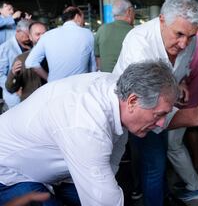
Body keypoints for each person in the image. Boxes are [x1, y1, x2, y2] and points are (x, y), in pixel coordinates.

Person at [0, 60, 184, 206]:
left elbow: (106, 179)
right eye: (159, 115)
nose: (161, 123)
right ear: (133, 101)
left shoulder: (118, 90)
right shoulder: (85, 122)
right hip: (8, 172)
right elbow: (104, 202)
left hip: (56, 172)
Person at [112, 0, 198, 205]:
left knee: (154, 160)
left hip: (160, 106)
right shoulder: (139, 42)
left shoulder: (188, 43)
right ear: (162, 19)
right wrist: (196, 115)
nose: (184, 43)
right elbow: (150, 100)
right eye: (179, 34)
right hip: (139, 109)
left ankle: (152, 193)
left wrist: (180, 84)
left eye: (191, 36)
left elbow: (178, 72)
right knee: (155, 163)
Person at [168, 29, 198, 202]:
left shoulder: (190, 45)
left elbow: (183, 72)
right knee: (192, 134)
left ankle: (195, 186)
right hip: (196, 97)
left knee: (174, 146)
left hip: (183, 102)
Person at [25, 6, 96, 82]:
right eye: (83, 18)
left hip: (55, 87)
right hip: (79, 86)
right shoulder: (87, 33)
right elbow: (93, 67)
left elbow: (30, 62)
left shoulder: (47, 35)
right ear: (77, 16)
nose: (83, 22)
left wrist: (49, 78)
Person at [5, 21, 47, 102]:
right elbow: (10, 89)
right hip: (30, 106)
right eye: (37, 34)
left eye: (44, 34)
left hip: (52, 104)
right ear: (30, 37)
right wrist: (13, 74)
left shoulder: (55, 55)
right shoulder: (21, 58)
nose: (42, 37)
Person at [95, 0, 134, 72]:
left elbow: (98, 60)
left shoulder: (101, 29)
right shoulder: (134, 32)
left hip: (105, 79)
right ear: (129, 11)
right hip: (126, 80)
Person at [0, 19, 32, 108]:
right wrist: (15, 88)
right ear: (18, 31)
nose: (29, 38)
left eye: (31, 34)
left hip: (31, 89)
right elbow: (0, 74)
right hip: (14, 94)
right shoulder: (4, 48)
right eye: (27, 35)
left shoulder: (32, 45)